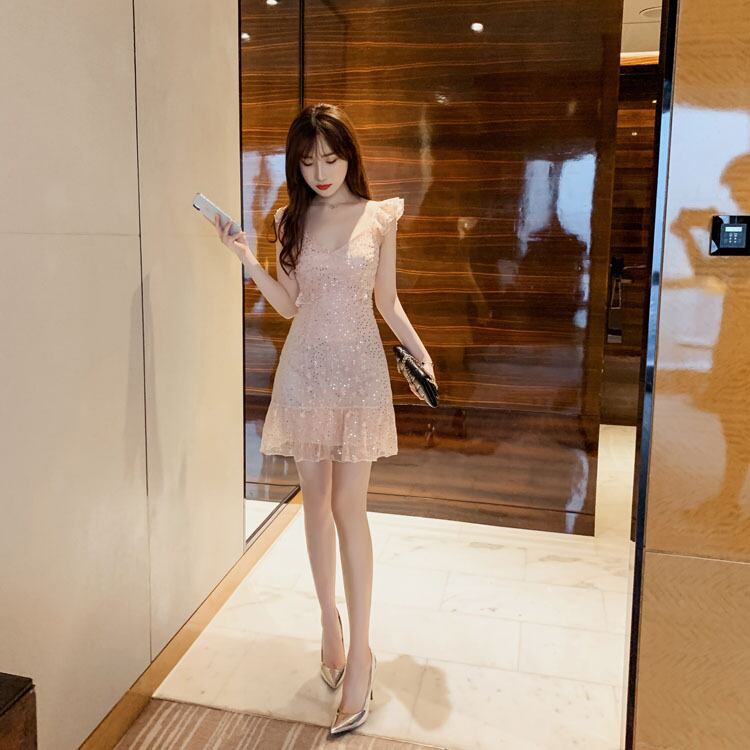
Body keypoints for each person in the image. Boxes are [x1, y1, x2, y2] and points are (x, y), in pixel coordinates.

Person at [213, 103, 435, 735]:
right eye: (308, 161)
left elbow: (388, 302)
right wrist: (245, 257)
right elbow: (289, 306)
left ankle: (361, 654)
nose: (320, 171)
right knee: (313, 503)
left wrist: (422, 356)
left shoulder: (380, 216)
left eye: (331, 158)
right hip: (306, 372)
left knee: (347, 507)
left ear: (349, 156)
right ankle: (328, 626)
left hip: (360, 374)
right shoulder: (290, 219)